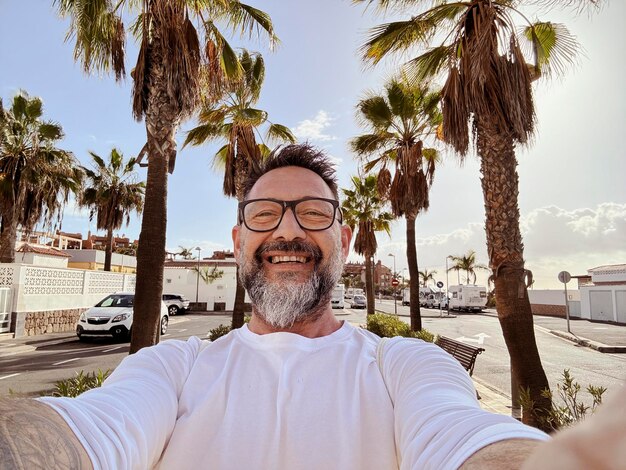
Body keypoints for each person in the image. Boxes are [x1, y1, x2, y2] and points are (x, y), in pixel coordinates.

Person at [1, 144, 551, 469]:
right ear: (238, 241)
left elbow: (458, 435)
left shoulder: (404, 365)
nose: (287, 230)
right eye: (265, 214)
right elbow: (91, 432)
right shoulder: (173, 367)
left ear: (345, 235)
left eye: (313, 212)